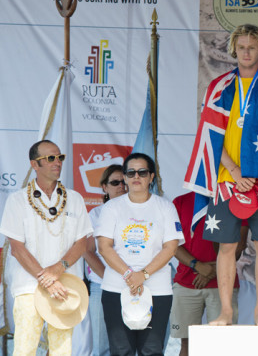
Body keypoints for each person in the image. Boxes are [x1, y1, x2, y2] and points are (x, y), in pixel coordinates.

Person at [183, 24, 258, 326]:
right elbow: (210, 136)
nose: (246, 52)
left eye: (252, 46)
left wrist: (256, 174)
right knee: (227, 245)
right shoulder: (218, 88)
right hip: (227, 180)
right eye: (242, 46)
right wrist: (236, 172)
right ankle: (226, 311)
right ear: (233, 49)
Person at [0, 140, 93, 355]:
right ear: (35, 164)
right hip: (28, 287)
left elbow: (82, 243)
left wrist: (58, 271)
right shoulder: (17, 200)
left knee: (62, 350)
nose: (57, 162)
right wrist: (46, 280)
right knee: (25, 349)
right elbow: (17, 248)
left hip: (66, 285)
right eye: (50, 158)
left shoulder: (76, 199)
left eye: (60, 157)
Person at [96, 153, 184, 355]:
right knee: (120, 350)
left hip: (157, 289)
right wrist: (129, 275)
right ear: (125, 177)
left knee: (152, 350)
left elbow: (171, 247)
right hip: (116, 288)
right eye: (131, 172)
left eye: (142, 172)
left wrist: (142, 275)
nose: (137, 176)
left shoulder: (165, 207)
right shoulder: (111, 207)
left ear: (151, 177)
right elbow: (104, 247)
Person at [169, 191, 247, 355]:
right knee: (186, 343)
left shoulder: (236, 200)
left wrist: (211, 271)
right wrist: (197, 266)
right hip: (186, 283)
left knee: (221, 346)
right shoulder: (180, 201)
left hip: (223, 284)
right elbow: (172, 244)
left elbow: (239, 245)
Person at [84, 164, 126, 356]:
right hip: (102, 286)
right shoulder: (96, 214)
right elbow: (87, 251)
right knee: (102, 348)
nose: (121, 186)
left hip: (134, 286)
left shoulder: (141, 213)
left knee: (129, 346)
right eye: (115, 182)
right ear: (104, 187)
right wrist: (109, 278)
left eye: (124, 182)